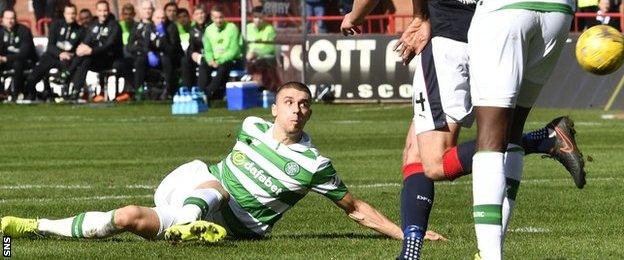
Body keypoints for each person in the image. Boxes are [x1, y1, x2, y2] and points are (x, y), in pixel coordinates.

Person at [1, 81, 447, 243]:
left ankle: (31, 226)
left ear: (310, 112)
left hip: (236, 222)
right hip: (199, 195)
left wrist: (410, 231)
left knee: (126, 216)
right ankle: (189, 228)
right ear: (274, 109)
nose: (296, 109)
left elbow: (356, 211)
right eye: (288, 101)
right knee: (208, 175)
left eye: (304, 104)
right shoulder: (251, 125)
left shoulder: (315, 164)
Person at [342, 0, 585, 259]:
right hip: (513, 24)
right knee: (504, 129)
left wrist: (356, 16)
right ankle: (411, 253)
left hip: (452, 36)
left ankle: (411, 253)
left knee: (428, 160)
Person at [467, 0, 574, 257]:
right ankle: (490, 251)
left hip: (505, 9)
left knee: (490, 135)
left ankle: (491, 255)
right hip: (558, 13)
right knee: (513, 130)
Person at [25, 3, 84, 101]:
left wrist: (71, 54)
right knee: (35, 74)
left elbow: (80, 48)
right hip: (52, 56)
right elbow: (50, 46)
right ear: (64, 14)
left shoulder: (80, 30)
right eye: (69, 13)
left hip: (68, 59)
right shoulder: (56, 25)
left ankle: (67, 94)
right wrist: (60, 53)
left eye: (73, 13)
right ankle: (30, 93)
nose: (71, 16)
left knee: (70, 67)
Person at [124, 1, 182, 101]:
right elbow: (144, 45)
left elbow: (171, 49)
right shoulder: (149, 27)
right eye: (158, 18)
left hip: (168, 56)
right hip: (151, 55)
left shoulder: (171, 27)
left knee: (166, 60)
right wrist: (149, 53)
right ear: (153, 18)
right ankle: (138, 90)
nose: (161, 20)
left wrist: (163, 36)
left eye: (163, 18)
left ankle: (168, 90)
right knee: (139, 61)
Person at [68, 0, 123, 102]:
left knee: (86, 58)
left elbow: (108, 45)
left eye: (105, 10)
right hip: (96, 59)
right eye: (100, 11)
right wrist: (82, 47)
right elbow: (87, 41)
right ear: (96, 12)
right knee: (85, 60)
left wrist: (91, 51)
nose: (103, 13)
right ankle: (75, 91)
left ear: (109, 11)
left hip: (111, 60)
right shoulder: (94, 25)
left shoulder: (114, 26)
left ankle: (68, 76)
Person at [203, 5, 242, 100]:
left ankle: (209, 92)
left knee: (224, 66)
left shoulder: (232, 28)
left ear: (224, 17)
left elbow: (234, 50)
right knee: (203, 65)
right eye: (216, 18)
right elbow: (207, 50)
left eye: (220, 17)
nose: (218, 20)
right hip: (215, 60)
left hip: (231, 60)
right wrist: (210, 59)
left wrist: (219, 61)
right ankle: (201, 91)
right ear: (212, 18)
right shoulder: (209, 30)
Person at [0, 9, 38, 102]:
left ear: (16, 19)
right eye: (7, 18)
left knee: (18, 64)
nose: (10, 21)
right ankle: (1, 93)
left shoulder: (23, 30)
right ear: (2, 20)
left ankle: (15, 94)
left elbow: (24, 53)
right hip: (6, 61)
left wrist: (5, 58)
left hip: (25, 61)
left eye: (12, 18)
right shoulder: (1, 31)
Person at [245, 6, 281, 91]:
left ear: (264, 17)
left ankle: (265, 87)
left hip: (266, 57)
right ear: (252, 18)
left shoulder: (269, 29)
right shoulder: (247, 28)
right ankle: (248, 86)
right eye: (255, 17)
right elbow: (242, 45)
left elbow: (270, 48)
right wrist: (247, 54)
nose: (257, 20)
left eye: (260, 18)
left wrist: (256, 54)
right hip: (248, 57)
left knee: (262, 62)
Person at [181, 5, 209, 90]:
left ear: (205, 14)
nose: (200, 16)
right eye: (197, 14)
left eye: (202, 13)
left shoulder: (211, 27)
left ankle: (200, 91)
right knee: (185, 61)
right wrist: (193, 53)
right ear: (193, 16)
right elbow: (191, 47)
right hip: (199, 56)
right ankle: (187, 89)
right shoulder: (192, 30)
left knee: (203, 63)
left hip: (210, 56)